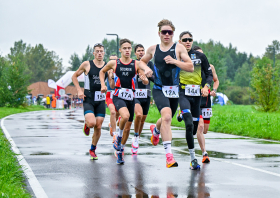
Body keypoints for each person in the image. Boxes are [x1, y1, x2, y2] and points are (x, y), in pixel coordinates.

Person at [138, 19, 193, 168]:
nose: (167, 34)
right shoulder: (153, 49)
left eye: (170, 32)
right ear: (159, 34)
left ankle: (156, 130)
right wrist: (146, 69)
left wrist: (176, 62)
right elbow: (141, 62)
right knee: (167, 116)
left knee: (165, 119)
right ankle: (169, 157)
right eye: (164, 32)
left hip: (174, 90)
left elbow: (190, 67)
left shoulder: (179, 48)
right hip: (159, 88)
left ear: (173, 34)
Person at [100, 38, 151, 165]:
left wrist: (144, 80)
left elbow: (145, 81)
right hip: (118, 96)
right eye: (125, 48)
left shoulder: (136, 64)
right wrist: (102, 84)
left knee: (128, 129)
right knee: (125, 115)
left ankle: (120, 151)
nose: (127, 50)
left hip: (131, 97)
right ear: (120, 50)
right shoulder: (114, 63)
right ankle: (118, 135)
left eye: (129, 48)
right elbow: (102, 71)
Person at [177, 31, 213, 169]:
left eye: (190, 39)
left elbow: (209, 74)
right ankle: (193, 159)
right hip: (183, 93)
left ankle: (182, 114)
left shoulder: (200, 56)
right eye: (184, 39)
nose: (187, 41)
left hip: (197, 94)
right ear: (180, 41)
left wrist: (207, 87)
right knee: (189, 125)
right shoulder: (176, 56)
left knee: (193, 130)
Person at [72, 43, 112, 160]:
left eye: (101, 51)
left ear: (104, 53)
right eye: (97, 51)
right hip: (88, 98)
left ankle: (93, 149)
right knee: (92, 124)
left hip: (100, 100)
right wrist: (79, 90)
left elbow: (112, 85)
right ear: (94, 53)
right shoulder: (87, 64)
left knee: (98, 127)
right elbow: (74, 76)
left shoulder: (107, 66)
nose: (99, 53)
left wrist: (111, 76)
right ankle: (87, 123)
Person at [193, 45, 219, 163]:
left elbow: (216, 80)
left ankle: (193, 125)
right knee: (200, 126)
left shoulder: (210, 67)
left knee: (205, 130)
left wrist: (214, 90)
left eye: (202, 54)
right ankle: (204, 153)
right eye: (198, 54)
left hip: (206, 100)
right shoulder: (191, 67)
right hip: (195, 99)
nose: (201, 56)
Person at [131, 44, 154, 155]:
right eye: (139, 51)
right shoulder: (133, 64)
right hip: (135, 95)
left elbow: (154, 78)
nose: (141, 52)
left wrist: (148, 76)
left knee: (143, 119)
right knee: (138, 115)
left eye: (142, 51)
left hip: (146, 94)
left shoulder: (149, 64)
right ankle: (135, 136)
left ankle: (137, 139)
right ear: (135, 53)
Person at [106, 54, 120, 142]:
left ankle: (112, 124)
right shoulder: (107, 71)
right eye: (111, 60)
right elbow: (112, 85)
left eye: (115, 60)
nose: (113, 62)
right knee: (113, 112)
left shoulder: (120, 70)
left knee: (118, 114)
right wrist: (111, 76)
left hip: (119, 94)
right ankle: (115, 134)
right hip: (110, 94)